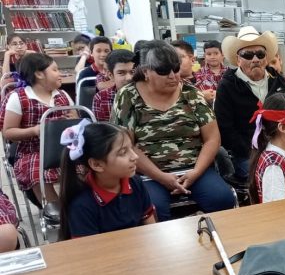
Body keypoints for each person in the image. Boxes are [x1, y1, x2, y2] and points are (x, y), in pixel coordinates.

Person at [111, 40, 236, 221]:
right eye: (163, 71)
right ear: (145, 72)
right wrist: (161, 177)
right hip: (148, 174)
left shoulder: (191, 93)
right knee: (152, 209)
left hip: (194, 169)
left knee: (222, 199)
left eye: (176, 69)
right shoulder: (127, 96)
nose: (172, 76)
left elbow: (212, 138)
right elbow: (126, 145)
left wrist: (196, 172)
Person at [215, 26, 285, 182]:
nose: (255, 59)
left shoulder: (279, 81)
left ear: (266, 58)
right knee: (269, 180)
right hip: (247, 153)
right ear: (238, 60)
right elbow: (225, 129)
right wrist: (253, 149)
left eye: (260, 54)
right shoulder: (227, 86)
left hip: (282, 147)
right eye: (248, 55)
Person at [58, 120, 155, 239]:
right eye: (123, 152)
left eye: (132, 148)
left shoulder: (136, 183)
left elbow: (151, 229)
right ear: (97, 164)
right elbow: (88, 249)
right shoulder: (82, 205)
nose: (135, 156)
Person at [2, 53, 74, 206]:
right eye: (55, 70)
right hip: (32, 150)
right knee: (36, 171)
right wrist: (35, 130)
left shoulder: (62, 95)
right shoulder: (19, 97)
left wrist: (73, 121)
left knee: (83, 166)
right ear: (39, 74)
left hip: (65, 147)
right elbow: (8, 132)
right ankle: (54, 210)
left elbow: (75, 121)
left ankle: (79, 206)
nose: (60, 74)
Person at [92, 49, 135, 121]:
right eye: (121, 73)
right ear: (111, 75)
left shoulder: (147, 94)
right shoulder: (102, 98)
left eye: (133, 72)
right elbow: (104, 127)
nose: (129, 78)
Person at [195, 40, 228, 104]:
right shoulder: (198, 74)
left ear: (222, 55)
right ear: (204, 56)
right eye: (209, 54)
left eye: (216, 53)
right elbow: (196, 94)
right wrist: (202, 94)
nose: (212, 57)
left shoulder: (230, 73)